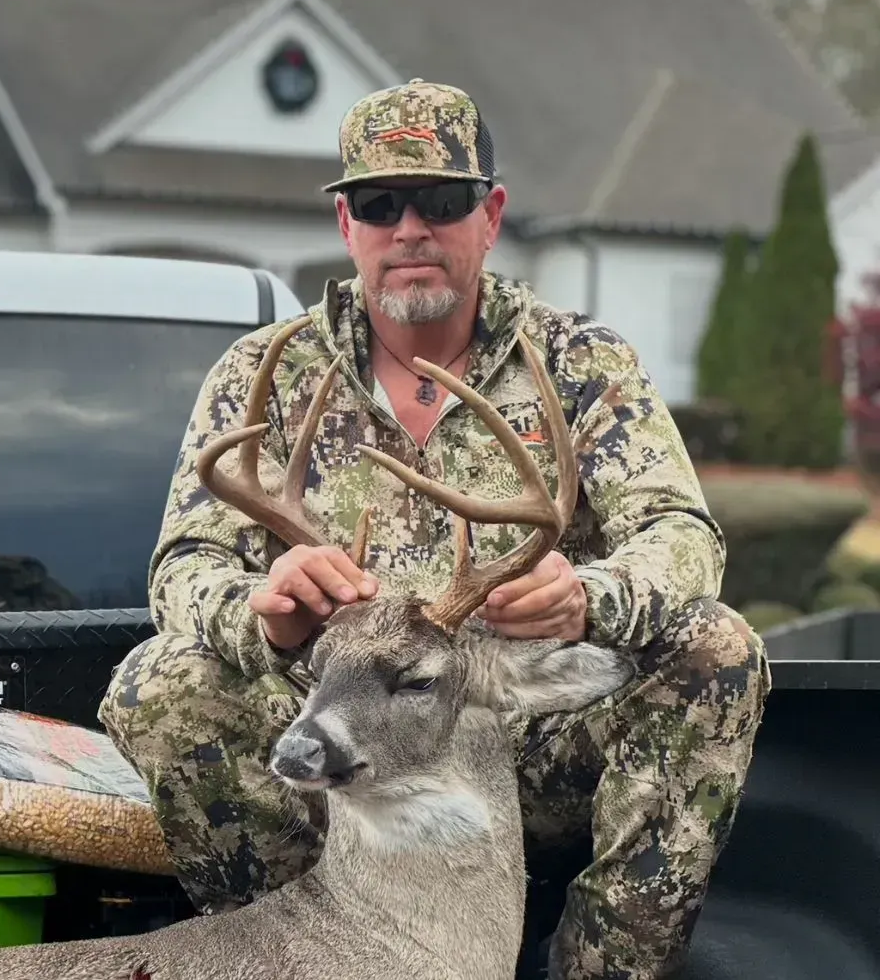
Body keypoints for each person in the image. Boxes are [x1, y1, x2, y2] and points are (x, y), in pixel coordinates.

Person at [97, 78, 770, 980]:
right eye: (379, 203)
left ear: (489, 216)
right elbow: (185, 562)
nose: (410, 227)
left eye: (441, 200)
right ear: (348, 225)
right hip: (335, 738)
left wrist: (590, 596)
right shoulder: (268, 373)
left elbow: (682, 534)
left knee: (714, 647)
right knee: (159, 683)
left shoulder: (578, 364)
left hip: (514, 733)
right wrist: (260, 611)